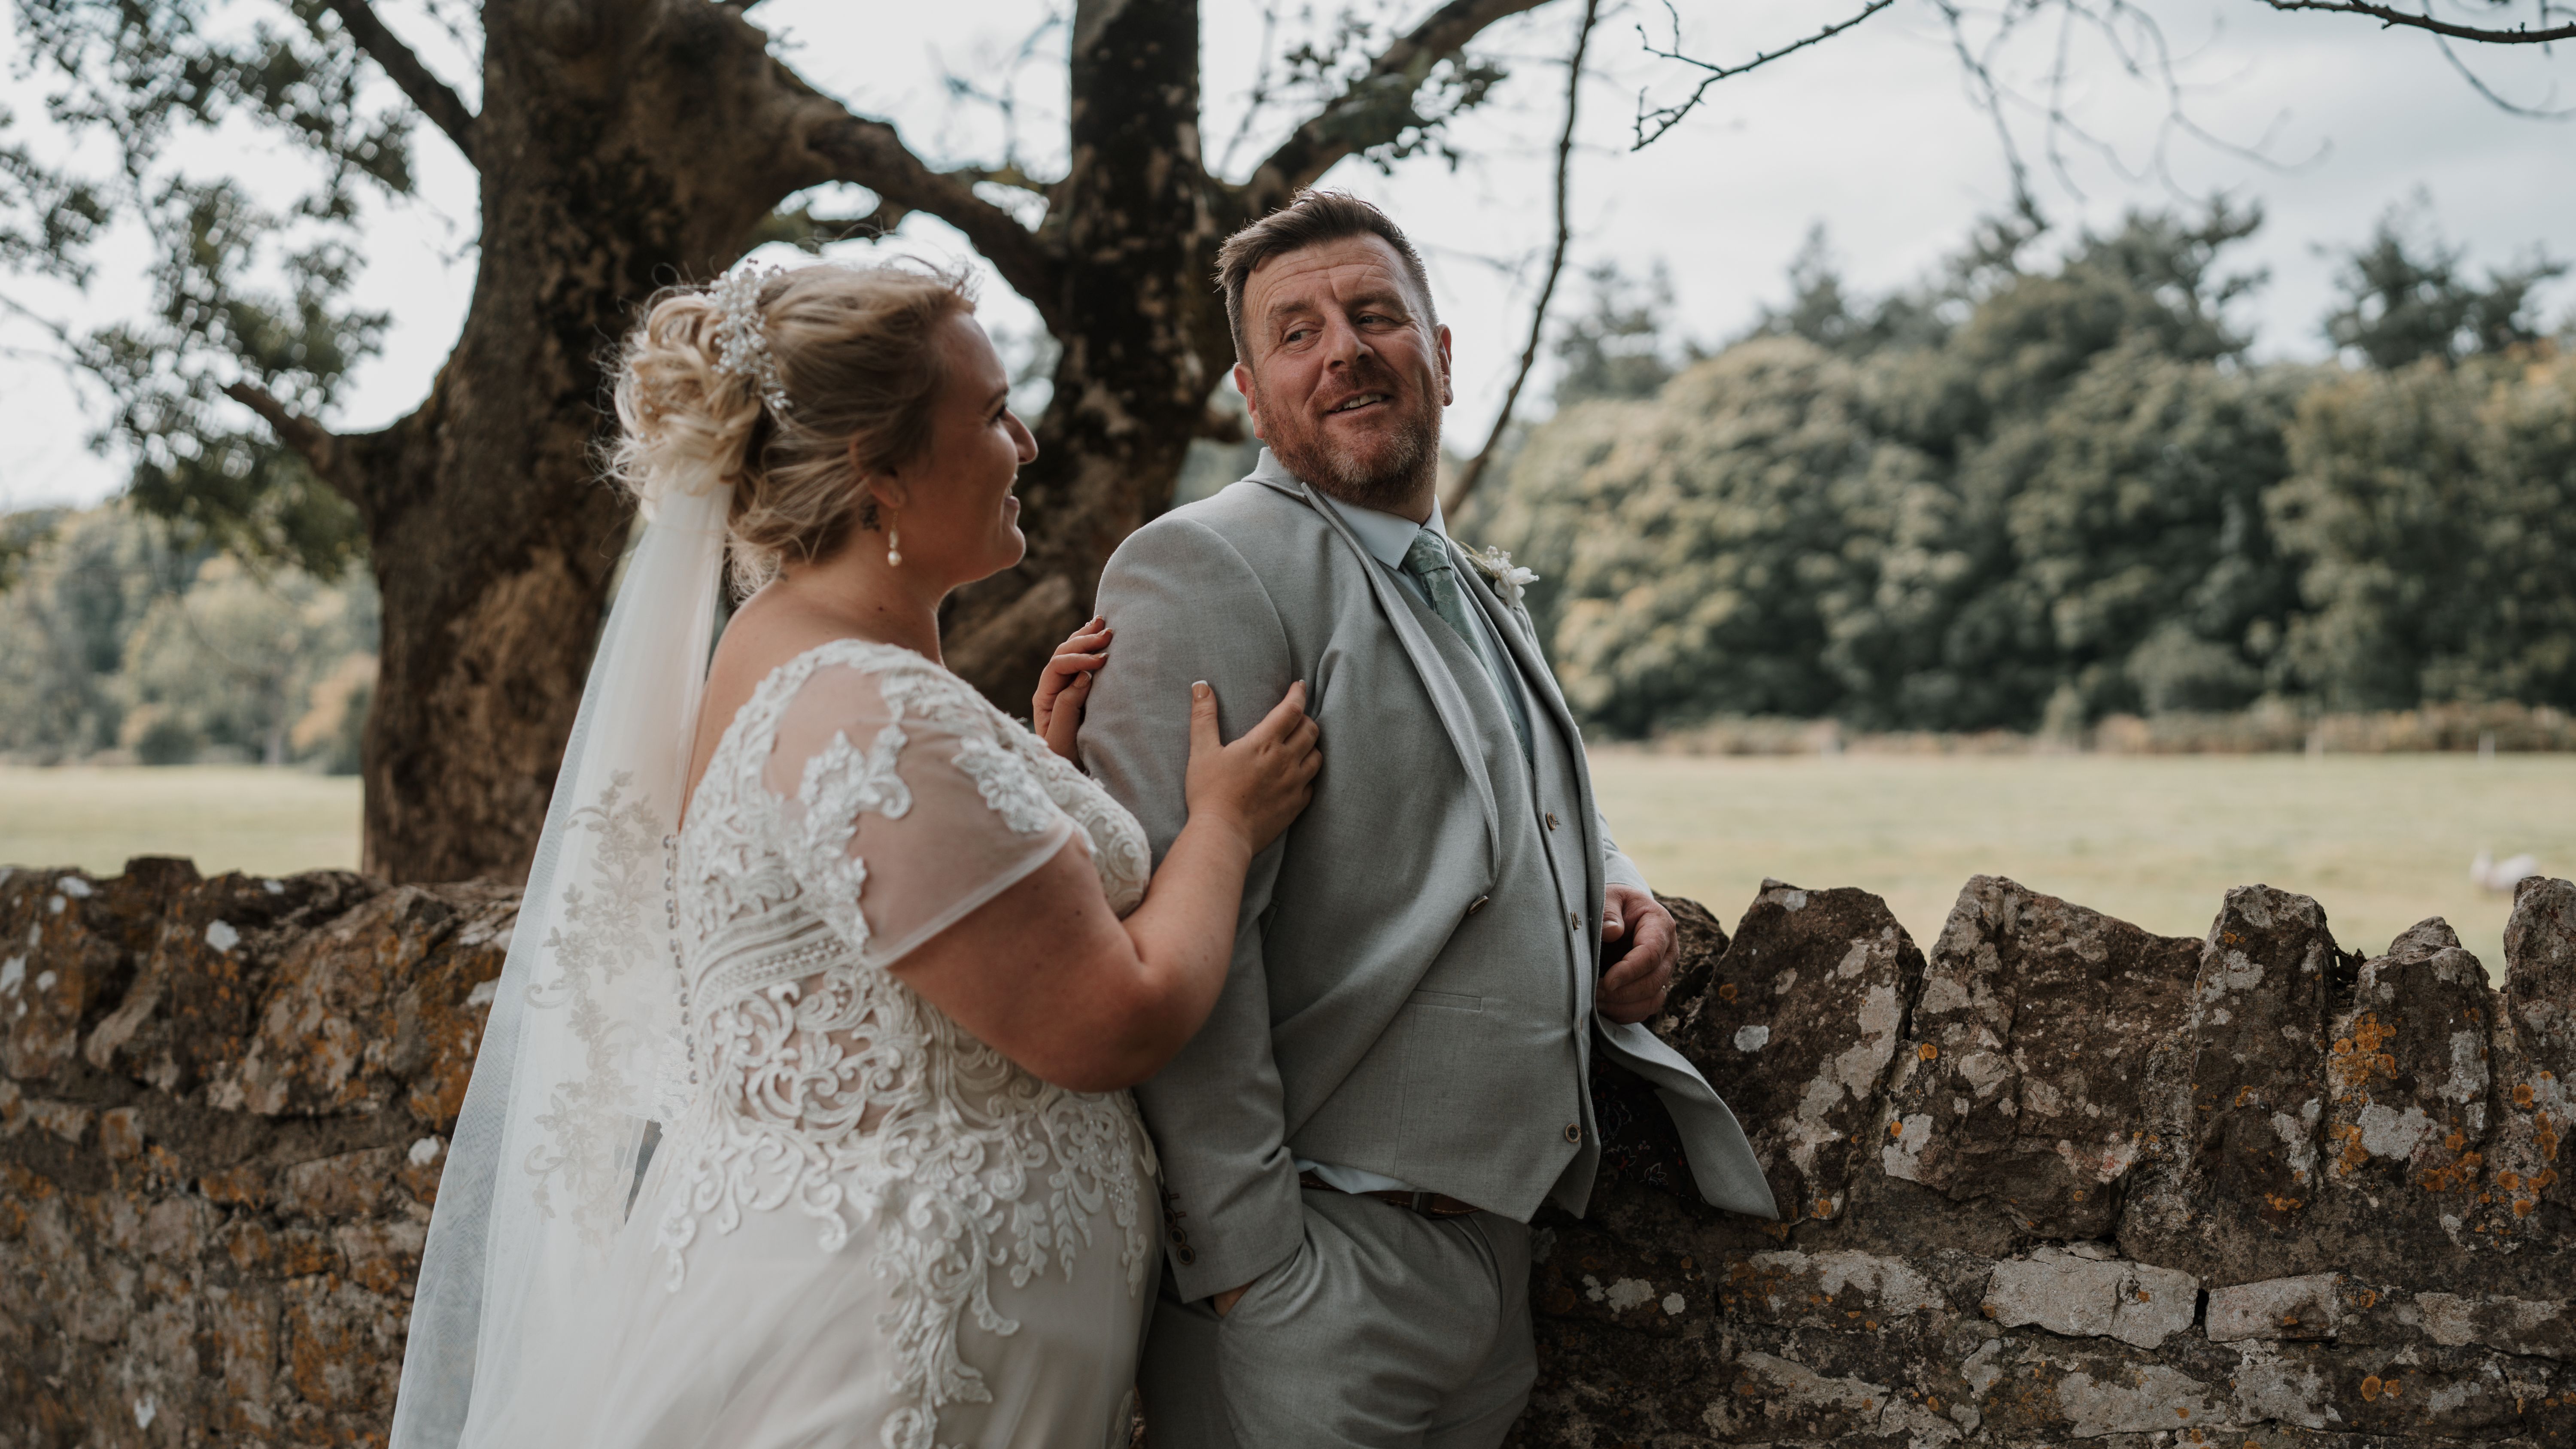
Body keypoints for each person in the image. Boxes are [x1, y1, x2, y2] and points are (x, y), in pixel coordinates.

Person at [386, 259, 1319, 1449]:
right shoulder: (861, 711)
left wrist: (1033, 776)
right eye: (988, 415)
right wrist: (1226, 826)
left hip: (920, 1321)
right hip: (891, 1352)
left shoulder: (799, 657)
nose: (1023, 443)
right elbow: (1111, 1022)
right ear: (879, 473)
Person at [1075, 190, 1780, 1448]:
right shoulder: (1206, 565)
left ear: (1441, 355)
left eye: (1374, 314)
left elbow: (1510, 790)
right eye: (1296, 332)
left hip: (1493, 1272)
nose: (1341, 347)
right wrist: (1253, 1270)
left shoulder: (1459, 574)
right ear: (1250, 390)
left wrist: (1618, 889)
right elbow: (1183, 926)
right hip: (1313, 1281)